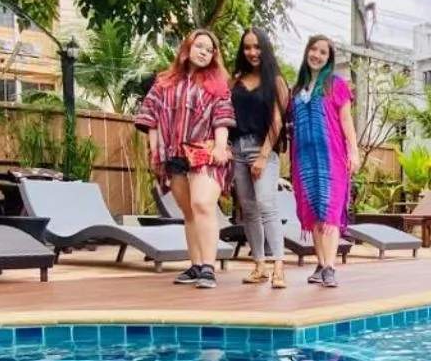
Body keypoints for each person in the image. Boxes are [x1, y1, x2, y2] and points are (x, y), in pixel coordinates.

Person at [134, 27, 233, 288]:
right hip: (174, 153)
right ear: (187, 48)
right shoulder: (164, 82)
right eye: (200, 46)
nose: (205, 53)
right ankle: (196, 265)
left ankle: (209, 268)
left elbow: (222, 118)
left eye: (210, 50)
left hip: (204, 151)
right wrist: (156, 153)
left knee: (203, 204)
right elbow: (151, 118)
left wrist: (221, 147)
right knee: (188, 211)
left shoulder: (218, 85)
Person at [288, 34, 359, 288]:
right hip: (304, 159)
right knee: (313, 210)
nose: (317, 55)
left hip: (332, 158)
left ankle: (330, 266)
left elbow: (346, 121)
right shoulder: (296, 90)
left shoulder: (335, 84)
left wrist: (353, 151)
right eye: (314, 50)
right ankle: (320, 264)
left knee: (329, 211)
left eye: (323, 53)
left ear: (329, 59)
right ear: (307, 52)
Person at [230, 27, 290, 288]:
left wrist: (263, 157)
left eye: (257, 47)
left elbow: (277, 121)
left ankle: (279, 265)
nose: (252, 52)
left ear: (265, 48)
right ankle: (259, 265)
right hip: (237, 150)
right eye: (247, 47)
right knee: (249, 210)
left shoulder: (275, 80)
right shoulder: (236, 80)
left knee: (266, 205)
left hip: (261, 149)